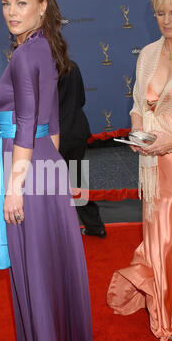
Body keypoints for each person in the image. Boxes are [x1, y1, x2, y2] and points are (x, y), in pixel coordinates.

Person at [0, 0, 102, 341]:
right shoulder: (45, 48)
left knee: (35, 269)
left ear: (41, 7)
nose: (12, 11)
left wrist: (15, 186)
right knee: (48, 265)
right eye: (6, 3)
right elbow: (49, 127)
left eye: (22, 3)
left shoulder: (23, 55)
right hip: (45, 167)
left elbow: (23, 123)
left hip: (26, 173)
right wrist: (45, 169)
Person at [107, 0, 172, 341]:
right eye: (160, 13)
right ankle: (164, 304)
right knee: (157, 235)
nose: (167, 21)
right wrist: (137, 133)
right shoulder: (149, 53)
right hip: (151, 166)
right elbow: (138, 101)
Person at [58, 60, 106, 238]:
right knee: (77, 181)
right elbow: (81, 99)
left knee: (48, 185)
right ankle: (95, 226)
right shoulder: (72, 65)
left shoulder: (42, 67)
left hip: (56, 134)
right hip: (77, 129)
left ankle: (58, 233)